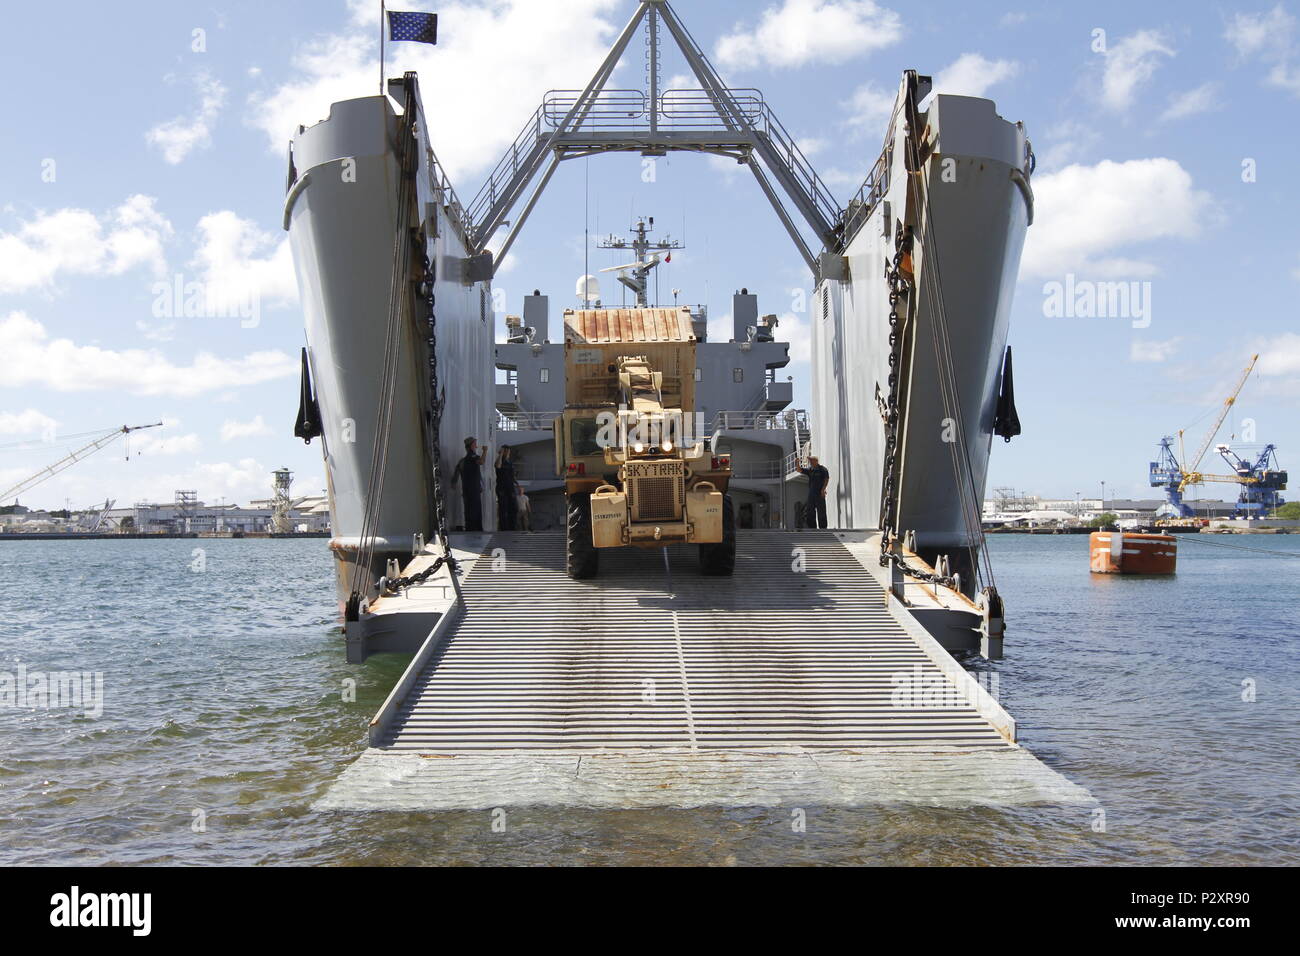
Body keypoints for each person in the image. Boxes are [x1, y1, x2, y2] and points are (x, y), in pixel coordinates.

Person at [452, 436, 487, 532]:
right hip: (473, 491)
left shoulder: (463, 460)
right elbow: (481, 461)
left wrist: (454, 482)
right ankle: (476, 531)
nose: (476, 445)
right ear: (471, 445)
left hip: (467, 491)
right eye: (475, 443)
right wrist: (485, 451)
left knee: (468, 512)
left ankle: (469, 530)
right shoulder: (472, 457)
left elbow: (457, 470)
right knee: (476, 513)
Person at [798, 454, 830, 529]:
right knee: (810, 511)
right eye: (809, 461)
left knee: (821, 511)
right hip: (811, 494)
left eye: (811, 460)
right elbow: (799, 470)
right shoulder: (810, 470)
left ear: (816, 461)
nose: (810, 462)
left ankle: (823, 528)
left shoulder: (822, 469)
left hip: (819, 493)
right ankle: (812, 528)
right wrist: (797, 463)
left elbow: (826, 479)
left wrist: (823, 489)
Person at [495, 445, 518, 531]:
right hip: (502, 488)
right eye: (505, 451)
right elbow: (497, 466)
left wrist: (517, 484)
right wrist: (500, 454)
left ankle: (512, 527)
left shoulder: (510, 463)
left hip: (510, 488)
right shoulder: (500, 461)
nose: (507, 453)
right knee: (503, 509)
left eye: (508, 451)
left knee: (513, 508)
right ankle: (504, 528)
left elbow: (512, 475)